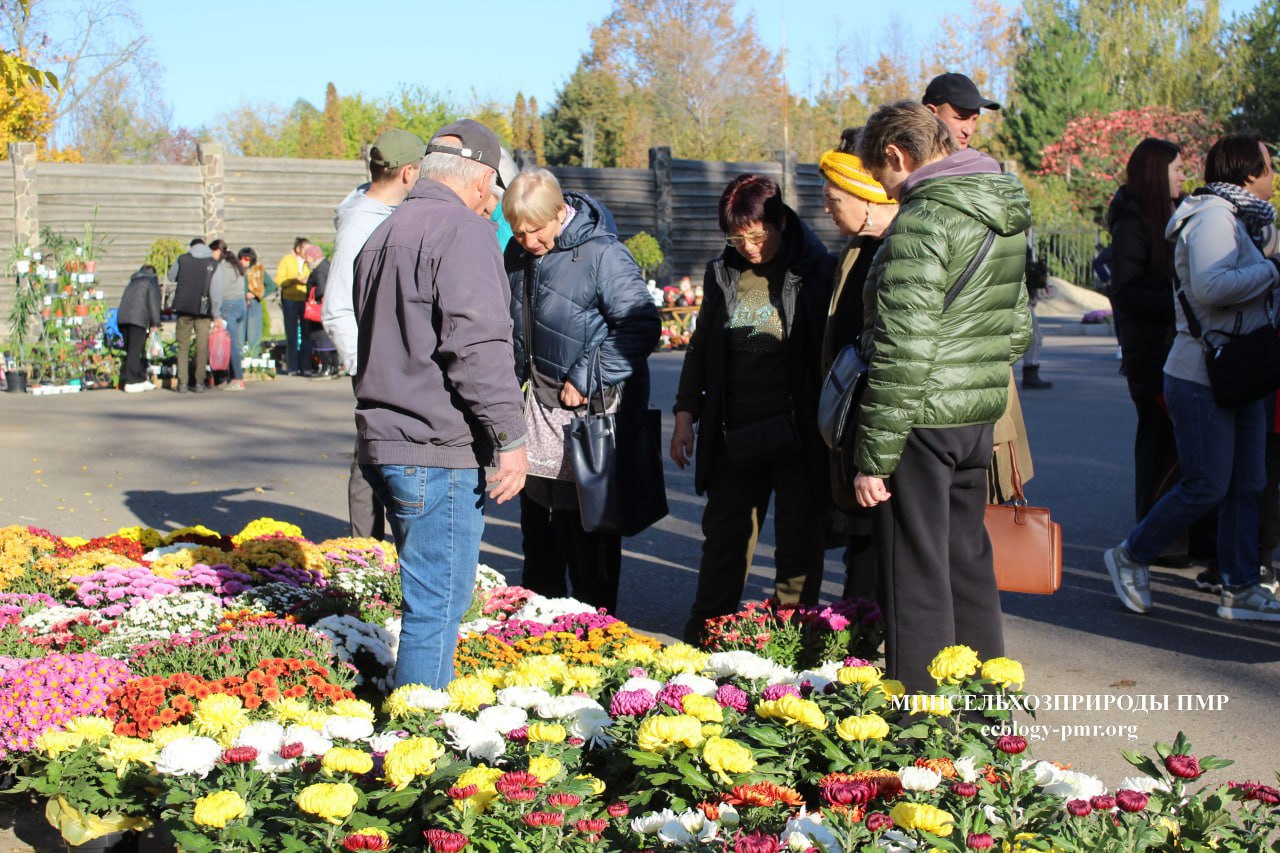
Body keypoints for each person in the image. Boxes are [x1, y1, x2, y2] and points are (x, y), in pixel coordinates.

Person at [852, 101, 1032, 694]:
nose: (885, 192)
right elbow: (1018, 328)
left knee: (915, 574)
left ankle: (923, 727)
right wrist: (971, 369)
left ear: (898, 157)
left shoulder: (924, 220)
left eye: (881, 178)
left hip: (920, 421)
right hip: (978, 415)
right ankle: (984, 705)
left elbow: (902, 348)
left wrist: (872, 457)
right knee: (968, 565)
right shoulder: (998, 210)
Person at [353, 118, 528, 689]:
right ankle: (416, 752)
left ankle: (411, 731)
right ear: (481, 180)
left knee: (425, 603)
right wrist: (511, 437)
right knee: (435, 612)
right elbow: (478, 346)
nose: (492, 203)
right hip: (436, 447)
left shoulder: (383, 232)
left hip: (384, 440)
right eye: (494, 190)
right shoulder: (465, 232)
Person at [1105, 132, 1280, 621]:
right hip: (1203, 372)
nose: (1274, 175)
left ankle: (1241, 586)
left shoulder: (1243, 218)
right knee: (1207, 483)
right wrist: (1273, 272)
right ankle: (1131, 555)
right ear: (1249, 173)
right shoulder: (1211, 218)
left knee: (1249, 480)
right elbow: (1210, 287)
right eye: (1269, 166)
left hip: (1237, 368)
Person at [671, 174, 834, 643]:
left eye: (758, 236)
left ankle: (790, 643)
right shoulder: (722, 271)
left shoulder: (817, 271)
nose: (749, 248)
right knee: (724, 540)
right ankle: (704, 638)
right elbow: (701, 348)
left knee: (798, 547)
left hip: (799, 433)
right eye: (737, 238)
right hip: (735, 430)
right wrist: (686, 415)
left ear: (779, 221)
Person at [504, 168, 660, 615]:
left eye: (535, 231)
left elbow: (641, 325)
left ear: (560, 213)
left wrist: (587, 375)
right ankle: (534, 637)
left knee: (589, 546)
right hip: (536, 419)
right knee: (538, 544)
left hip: (588, 419)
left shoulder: (603, 254)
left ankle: (595, 635)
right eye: (518, 232)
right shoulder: (516, 254)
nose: (527, 242)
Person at [923, 71, 1037, 497]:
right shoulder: (907, 176)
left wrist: (980, 357)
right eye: (960, 116)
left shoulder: (987, 176)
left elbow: (1013, 297)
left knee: (982, 513)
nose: (969, 127)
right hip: (930, 388)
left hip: (977, 376)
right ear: (931, 113)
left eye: (974, 118)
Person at [1106, 139, 1217, 558]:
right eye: (1175, 169)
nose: (1183, 175)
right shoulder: (1133, 223)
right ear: (1155, 174)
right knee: (1158, 446)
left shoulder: (1182, 214)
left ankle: (1186, 536)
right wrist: (1181, 301)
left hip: (1178, 348)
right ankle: (1156, 538)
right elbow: (1127, 292)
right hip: (1152, 353)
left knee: (1187, 448)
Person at [325, 128, 425, 540]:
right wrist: (363, 366)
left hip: (395, 360)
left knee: (388, 453)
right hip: (375, 364)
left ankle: (393, 551)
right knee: (372, 457)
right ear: (407, 173)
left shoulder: (385, 214)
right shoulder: (360, 224)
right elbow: (336, 307)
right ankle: (364, 554)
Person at [817, 136, 900, 602]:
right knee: (864, 543)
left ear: (863, 197)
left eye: (833, 200)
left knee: (881, 541)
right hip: (856, 418)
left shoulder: (897, 247)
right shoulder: (855, 247)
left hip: (884, 419)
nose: (827, 210)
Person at [167, 238, 219, 394]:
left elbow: (171, 276)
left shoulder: (182, 259)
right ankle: (199, 382)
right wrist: (216, 313)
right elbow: (216, 291)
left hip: (183, 307)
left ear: (191, 247)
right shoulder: (212, 263)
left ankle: (182, 382)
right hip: (203, 309)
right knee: (201, 346)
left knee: (183, 345)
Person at [116, 265, 162, 393]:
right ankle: (131, 381)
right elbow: (153, 303)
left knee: (133, 349)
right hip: (138, 319)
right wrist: (155, 323)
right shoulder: (151, 281)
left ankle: (140, 377)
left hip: (123, 318)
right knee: (135, 350)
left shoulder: (133, 281)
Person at [211, 239, 247, 391]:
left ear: (218, 251)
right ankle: (231, 376)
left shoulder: (222, 268)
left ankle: (238, 378)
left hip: (228, 305)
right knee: (233, 343)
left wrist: (216, 312)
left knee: (230, 344)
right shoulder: (235, 265)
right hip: (239, 304)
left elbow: (219, 290)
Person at [276, 237, 313, 376]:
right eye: (305, 249)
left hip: (304, 299)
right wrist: (293, 280)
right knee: (291, 333)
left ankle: (306, 367)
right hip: (290, 299)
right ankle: (293, 367)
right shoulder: (287, 260)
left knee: (306, 333)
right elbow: (279, 280)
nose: (307, 251)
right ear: (298, 248)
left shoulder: (308, 262)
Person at [237, 247, 273, 353]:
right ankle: (239, 361)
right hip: (239, 304)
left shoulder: (258, 270)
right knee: (239, 335)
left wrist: (257, 295)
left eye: (246, 259)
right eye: (241, 258)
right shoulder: (237, 271)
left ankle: (254, 360)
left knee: (254, 335)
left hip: (254, 304)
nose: (243, 261)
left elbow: (271, 286)